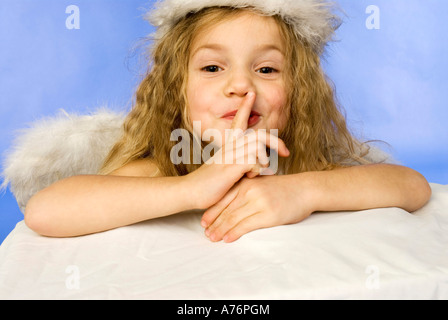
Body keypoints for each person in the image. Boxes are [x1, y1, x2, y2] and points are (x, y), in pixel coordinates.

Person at [25, 0, 431, 242]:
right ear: (175, 91)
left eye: (267, 70)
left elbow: (412, 187)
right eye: (213, 67)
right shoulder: (165, 168)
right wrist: (193, 187)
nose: (240, 85)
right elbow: (45, 211)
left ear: (298, 93)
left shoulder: (306, 163)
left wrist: (302, 192)